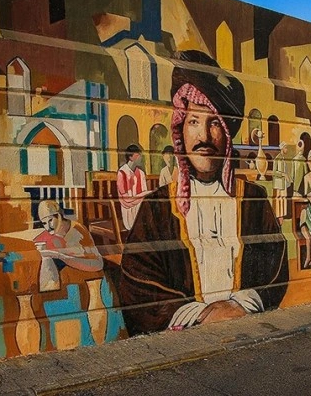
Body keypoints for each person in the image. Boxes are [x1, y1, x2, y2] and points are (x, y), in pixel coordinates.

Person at [119, 50, 288, 336]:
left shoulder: (254, 200)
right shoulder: (157, 207)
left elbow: (276, 265)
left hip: (247, 332)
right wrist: (201, 315)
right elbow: (138, 282)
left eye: (214, 123)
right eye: (194, 122)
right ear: (181, 131)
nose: (204, 137)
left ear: (226, 135)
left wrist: (239, 306)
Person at [33, 200, 104, 273]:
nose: (48, 227)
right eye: (44, 223)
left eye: (50, 220)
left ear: (59, 216)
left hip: (87, 268)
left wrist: (59, 255)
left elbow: (95, 263)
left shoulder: (78, 230)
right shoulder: (46, 235)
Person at [117, 144, 149, 230]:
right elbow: (125, 199)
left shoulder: (141, 173)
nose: (140, 158)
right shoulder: (122, 173)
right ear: (130, 157)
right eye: (137, 155)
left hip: (140, 204)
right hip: (128, 208)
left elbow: (144, 192)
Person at [272, 141, 291, 225]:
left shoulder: (283, 159)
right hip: (279, 184)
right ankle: (278, 216)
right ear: (282, 148)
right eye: (286, 148)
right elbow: (274, 172)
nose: (287, 150)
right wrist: (283, 174)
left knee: (283, 200)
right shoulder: (277, 158)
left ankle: (282, 216)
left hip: (284, 184)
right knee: (279, 200)